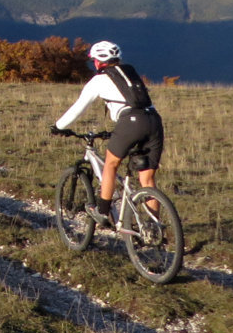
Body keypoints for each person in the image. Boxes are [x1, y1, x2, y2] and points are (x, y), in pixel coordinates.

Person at [51, 40, 164, 227]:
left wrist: (58, 126)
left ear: (98, 61)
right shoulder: (130, 72)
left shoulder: (99, 80)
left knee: (110, 164)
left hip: (131, 122)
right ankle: (153, 228)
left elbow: (79, 107)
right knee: (147, 178)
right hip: (154, 120)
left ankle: (102, 212)